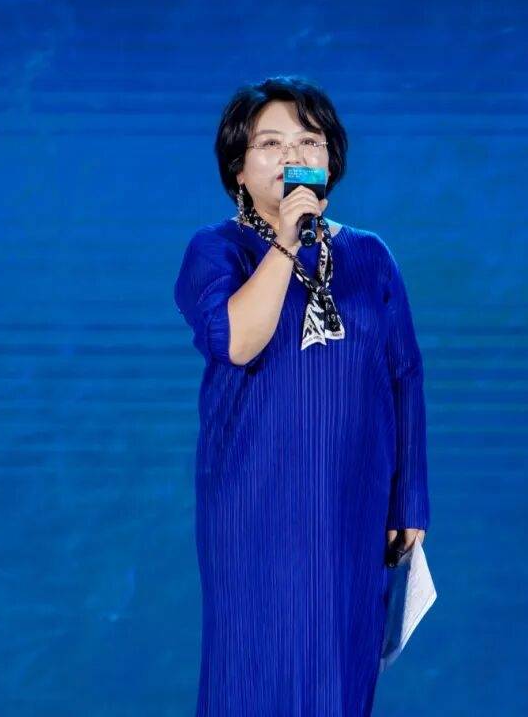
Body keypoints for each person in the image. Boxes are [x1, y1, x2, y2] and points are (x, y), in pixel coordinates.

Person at [174, 75, 430, 717]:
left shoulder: (370, 256)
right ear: (238, 169)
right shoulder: (216, 250)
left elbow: (404, 375)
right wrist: (288, 241)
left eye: (308, 141)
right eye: (270, 144)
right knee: (253, 669)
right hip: (254, 503)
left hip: (351, 505)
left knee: (340, 668)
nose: (292, 156)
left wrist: (409, 499)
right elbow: (235, 340)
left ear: (330, 159)